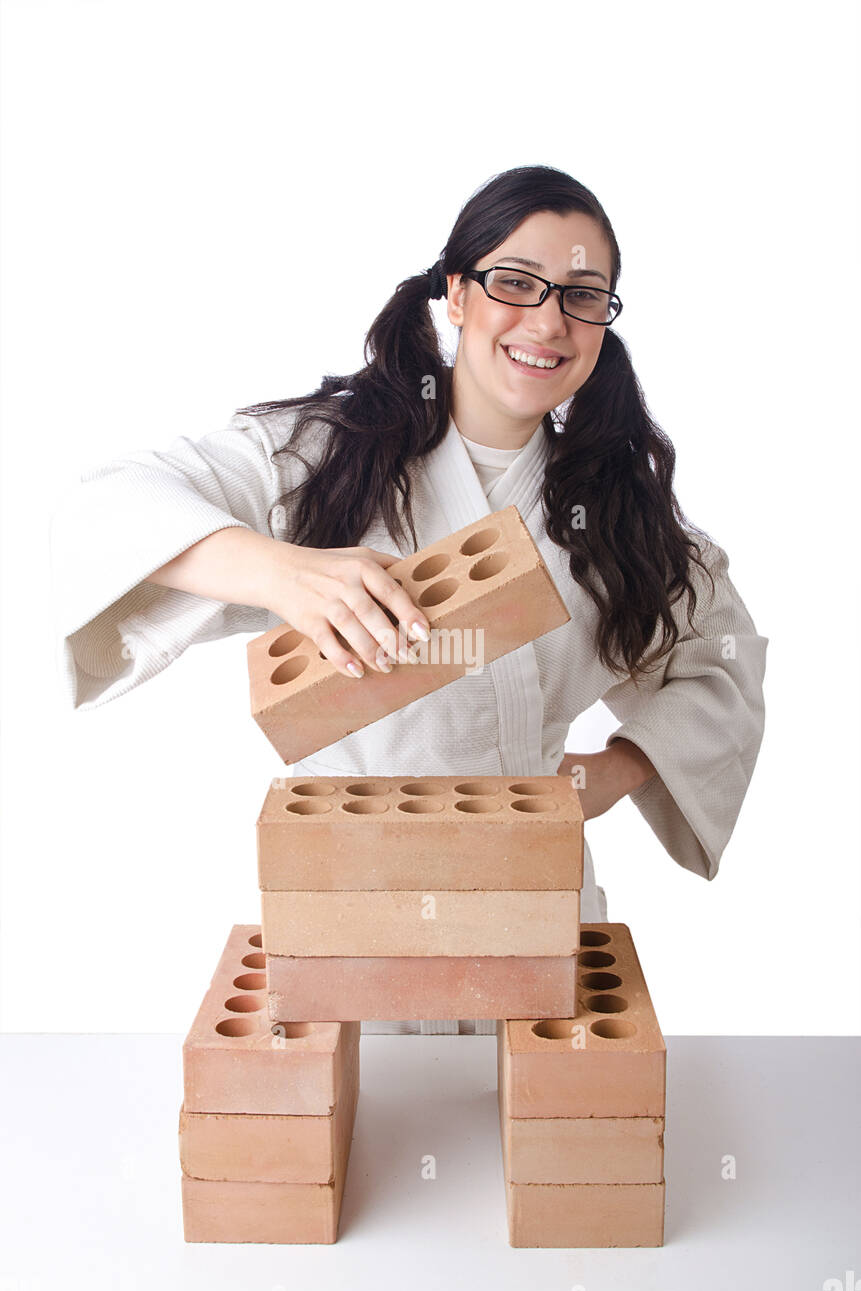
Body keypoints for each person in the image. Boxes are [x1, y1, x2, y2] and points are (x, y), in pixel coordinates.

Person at [49, 164, 769, 1036]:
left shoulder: (616, 509)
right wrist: (279, 571)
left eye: (583, 296)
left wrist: (608, 774)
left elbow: (720, 658)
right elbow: (96, 509)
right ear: (456, 296)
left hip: (535, 905)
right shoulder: (328, 452)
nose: (547, 321)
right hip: (351, 907)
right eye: (515, 283)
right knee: (360, 1143)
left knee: (543, 1148)